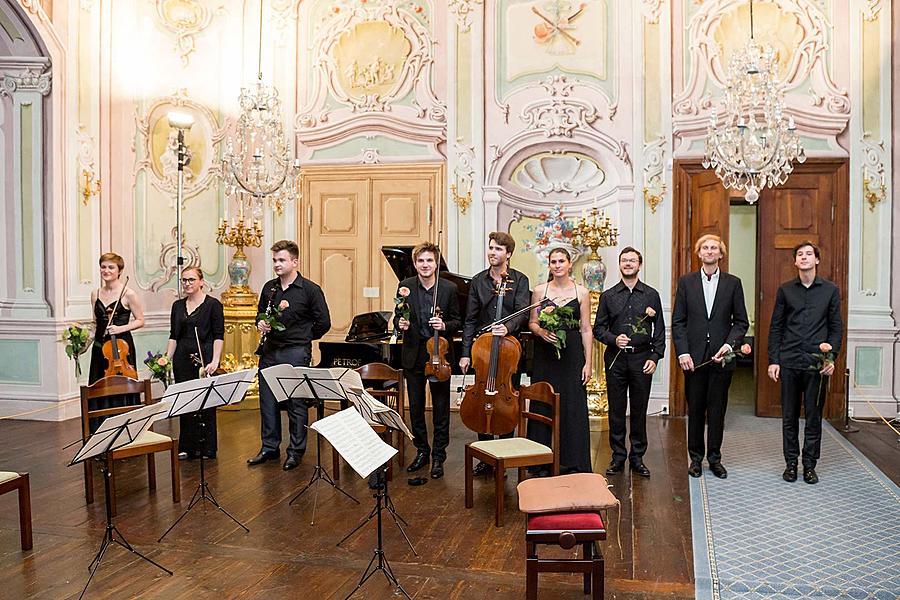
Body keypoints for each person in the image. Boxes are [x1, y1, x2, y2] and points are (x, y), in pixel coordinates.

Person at [248, 240, 331, 471]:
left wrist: (303, 337)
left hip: (296, 351)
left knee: (296, 403)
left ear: (295, 262)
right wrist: (260, 324)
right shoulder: (269, 288)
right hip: (270, 350)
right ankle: (269, 447)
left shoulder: (310, 290)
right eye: (274, 260)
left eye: (282, 260)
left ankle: (295, 451)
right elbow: (259, 315)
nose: (277, 264)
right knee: (268, 401)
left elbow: (324, 322)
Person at [672, 235, 749, 479]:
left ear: (720, 254)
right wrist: (682, 351)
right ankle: (695, 458)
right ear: (699, 253)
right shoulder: (686, 283)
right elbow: (678, 322)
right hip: (693, 360)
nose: (709, 251)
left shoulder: (733, 283)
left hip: (721, 358)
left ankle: (715, 458)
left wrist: (729, 345)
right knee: (695, 409)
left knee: (717, 410)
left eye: (713, 248)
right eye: (704, 247)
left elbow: (741, 322)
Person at [767, 241, 842, 485]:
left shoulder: (830, 291)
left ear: (817, 260)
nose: (804, 257)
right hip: (789, 361)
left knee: (813, 416)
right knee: (788, 416)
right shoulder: (785, 290)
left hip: (816, 364)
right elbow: (776, 327)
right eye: (800, 254)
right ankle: (791, 464)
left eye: (809, 254)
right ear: (795, 261)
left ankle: (809, 465)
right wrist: (773, 360)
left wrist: (831, 358)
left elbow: (835, 327)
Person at [459, 232, 531, 476]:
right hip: (483, 350)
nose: (493, 252)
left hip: (510, 351)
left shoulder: (520, 281)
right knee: (482, 399)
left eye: (499, 249)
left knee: (506, 400)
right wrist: (466, 352)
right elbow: (470, 319)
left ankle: (505, 452)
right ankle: (486, 457)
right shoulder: (478, 281)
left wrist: (507, 327)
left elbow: (522, 312)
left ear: (508, 254)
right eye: (491, 248)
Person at [593, 247, 665, 478]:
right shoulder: (609, 295)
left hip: (642, 359)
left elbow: (660, 331)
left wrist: (655, 357)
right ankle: (618, 456)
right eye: (624, 260)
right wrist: (614, 339)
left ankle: (637, 457)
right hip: (616, 359)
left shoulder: (651, 295)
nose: (628, 264)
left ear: (639, 265)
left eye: (632, 260)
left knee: (639, 409)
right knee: (615, 409)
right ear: (620, 265)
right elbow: (598, 330)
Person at [397, 242, 460, 480]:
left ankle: (438, 457)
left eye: (429, 261)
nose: (425, 265)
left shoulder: (448, 289)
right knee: (415, 408)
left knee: (441, 409)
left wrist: (444, 326)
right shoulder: (405, 287)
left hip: (439, 354)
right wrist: (399, 324)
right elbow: (398, 317)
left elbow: (457, 321)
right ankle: (422, 451)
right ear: (415, 264)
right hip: (414, 354)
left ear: (436, 263)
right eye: (421, 261)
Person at [526, 246, 593, 474]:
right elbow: (532, 322)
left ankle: (573, 462)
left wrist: (588, 363)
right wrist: (541, 332)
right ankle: (540, 461)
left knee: (573, 406)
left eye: (561, 261)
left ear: (569, 264)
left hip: (572, 355)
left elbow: (586, 329)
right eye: (553, 261)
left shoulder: (582, 293)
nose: (557, 265)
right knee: (543, 403)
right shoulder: (539, 290)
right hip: (545, 356)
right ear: (550, 265)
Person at [165, 267, 225, 460]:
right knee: (186, 401)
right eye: (184, 280)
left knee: (206, 402)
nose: (187, 283)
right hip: (182, 358)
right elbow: (174, 335)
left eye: (191, 280)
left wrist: (215, 360)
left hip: (204, 357)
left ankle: (207, 447)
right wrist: (166, 359)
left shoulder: (213, 305)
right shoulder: (177, 306)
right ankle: (187, 446)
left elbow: (218, 335)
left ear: (201, 281)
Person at [88, 252, 145, 431]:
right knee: (99, 386)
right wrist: (82, 343)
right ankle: (100, 431)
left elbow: (140, 320)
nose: (106, 270)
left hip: (121, 348)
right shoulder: (95, 293)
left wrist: (120, 329)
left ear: (119, 271)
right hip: (100, 348)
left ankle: (124, 430)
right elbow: (95, 323)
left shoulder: (128, 294)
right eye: (103, 267)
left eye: (111, 267)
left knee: (121, 385)